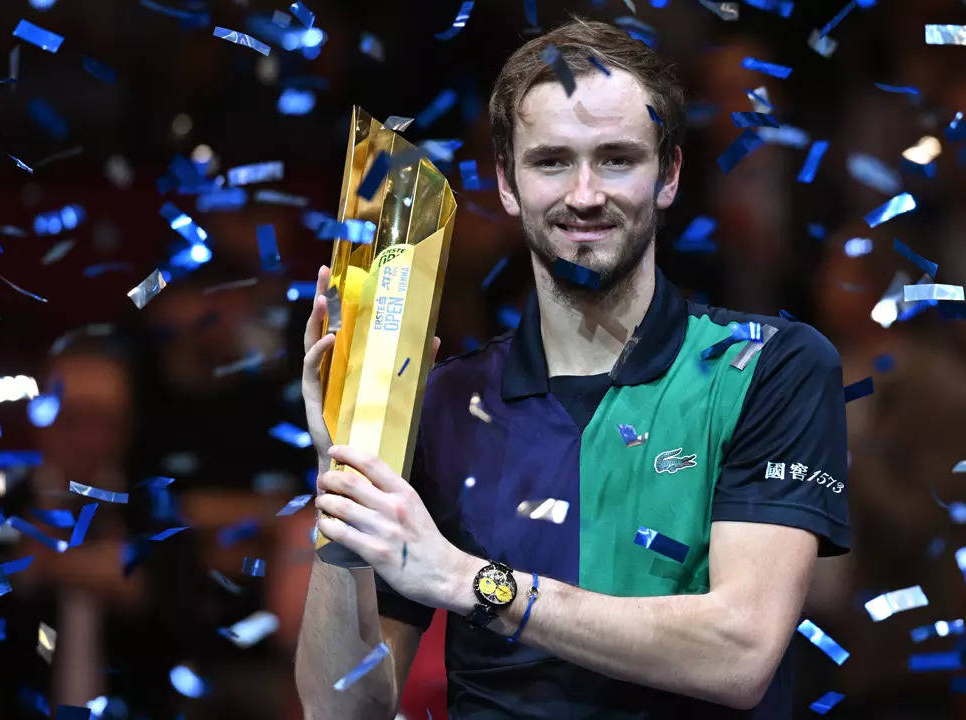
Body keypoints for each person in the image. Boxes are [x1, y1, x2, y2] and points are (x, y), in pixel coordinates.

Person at [294, 19, 851, 719]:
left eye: (616, 159)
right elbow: (342, 711)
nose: (584, 195)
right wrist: (341, 483)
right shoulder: (444, 402)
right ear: (506, 180)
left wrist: (469, 581)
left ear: (670, 173)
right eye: (552, 161)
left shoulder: (768, 366)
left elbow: (739, 653)